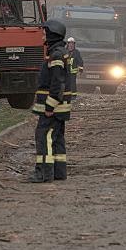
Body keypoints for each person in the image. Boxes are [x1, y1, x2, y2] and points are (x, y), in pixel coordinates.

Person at [29, 19, 70, 183]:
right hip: (59, 108)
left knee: (43, 136)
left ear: (53, 34)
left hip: (53, 108)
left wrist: (49, 106)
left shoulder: (56, 55)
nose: (43, 35)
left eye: (45, 32)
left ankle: (43, 173)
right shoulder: (58, 52)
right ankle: (59, 172)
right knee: (57, 138)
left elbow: (57, 84)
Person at [66, 36, 84, 103]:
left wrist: (81, 70)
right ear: (67, 44)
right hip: (65, 72)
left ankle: (73, 96)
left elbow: (80, 61)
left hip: (73, 72)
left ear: (74, 44)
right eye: (70, 43)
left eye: (72, 43)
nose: (71, 45)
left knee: (73, 84)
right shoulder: (65, 51)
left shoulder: (76, 52)